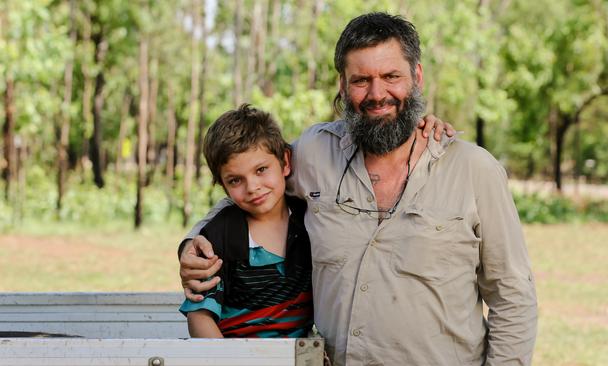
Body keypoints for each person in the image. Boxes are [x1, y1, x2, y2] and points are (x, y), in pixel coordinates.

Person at [180, 12, 537, 365]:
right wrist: (194, 241)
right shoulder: (314, 154)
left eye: (391, 76)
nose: (377, 93)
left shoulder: (474, 170)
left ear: (417, 77)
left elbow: (513, 297)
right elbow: (253, 185)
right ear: (343, 85)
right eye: (361, 80)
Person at [179, 104, 313, 338]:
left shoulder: (310, 220)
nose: (252, 187)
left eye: (261, 169)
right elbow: (200, 316)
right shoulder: (218, 236)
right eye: (235, 180)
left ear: (285, 162)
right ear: (223, 186)